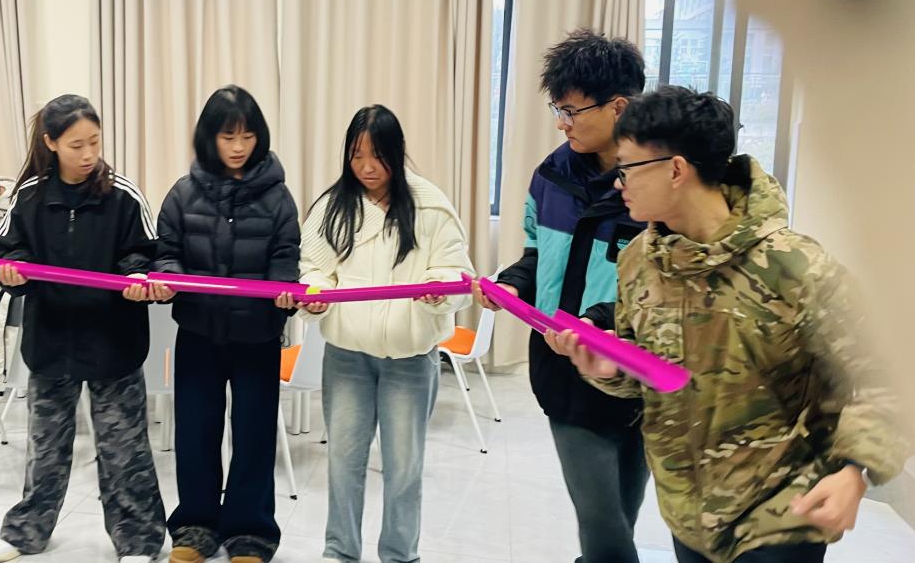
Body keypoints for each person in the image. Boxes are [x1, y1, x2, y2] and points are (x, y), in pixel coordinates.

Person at [547, 86, 911, 563]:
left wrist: (853, 470)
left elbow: (889, 377)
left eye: (627, 168)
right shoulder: (641, 261)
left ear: (676, 170)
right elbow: (655, 376)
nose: (619, 184)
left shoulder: (795, 267)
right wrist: (610, 369)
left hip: (781, 515)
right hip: (688, 514)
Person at [471, 29, 649, 563]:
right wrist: (512, 283)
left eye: (571, 111)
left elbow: (665, 286)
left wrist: (602, 319)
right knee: (602, 524)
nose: (561, 123)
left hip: (638, 367)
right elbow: (538, 254)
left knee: (621, 514)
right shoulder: (550, 177)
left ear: (618, 107)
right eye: (558, 109)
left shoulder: (652, 188)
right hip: (565, 368)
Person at [0, 95, 166, 563]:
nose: (88, 154)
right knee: (45, 448)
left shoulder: (123, 195)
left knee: (124, 449)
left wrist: (136, 276)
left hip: (114, 342)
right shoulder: (29, 196)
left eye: (95, 142)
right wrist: (14, 271)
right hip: (51, 342)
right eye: (76, 145)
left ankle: (138, 540)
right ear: (51, 143)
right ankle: (26, 532)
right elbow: (8, 250)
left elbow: (147, 252)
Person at [298, 105, 474, 563]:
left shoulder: (430, 206)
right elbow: (314, 269)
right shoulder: (331, 206)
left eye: (377, 156)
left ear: (396, 152)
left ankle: (399, 555)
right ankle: (340, 552)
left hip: (410, 360)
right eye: (357, 156)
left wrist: (438, 289)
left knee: (404, 469)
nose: (367, 167)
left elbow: (457, 273)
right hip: (347, 357)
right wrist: (314, 295)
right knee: (343, 462)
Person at [151, 86, 301, 563]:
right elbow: (167, 251)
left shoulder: (278, 197)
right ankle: (195, 527)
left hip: (258, 335)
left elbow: (286, 255)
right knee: (195, 431)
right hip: (198, 331)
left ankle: (251, 532)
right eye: (228, 136)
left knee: (254, 434)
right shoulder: (183, 193)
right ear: (209, 137)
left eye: (248, 136)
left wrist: (284, 290)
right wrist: (169, 277)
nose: (239, 147)